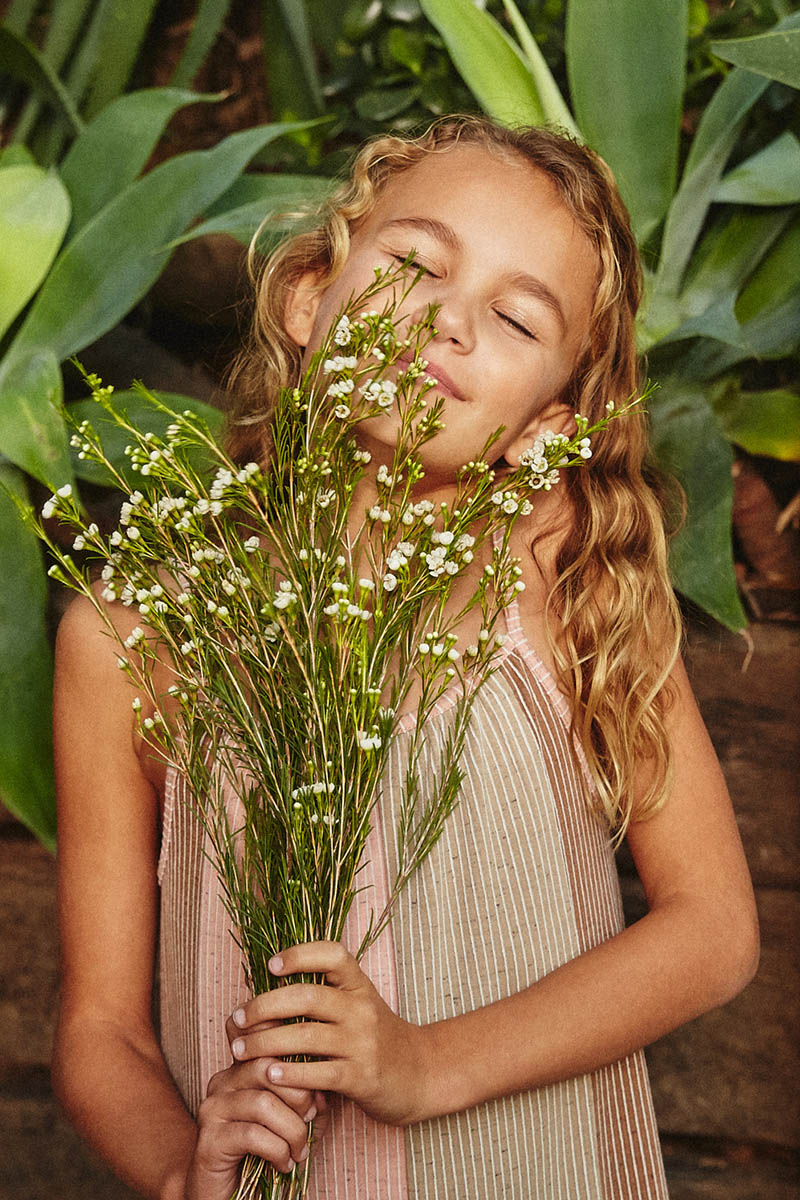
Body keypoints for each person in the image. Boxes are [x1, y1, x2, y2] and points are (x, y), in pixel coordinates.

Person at [51, 115, 759, 1200]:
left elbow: (712, 932)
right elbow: (101, 1032)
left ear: (546, 427)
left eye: (515, 318)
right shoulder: (133, 636)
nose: (448, 322)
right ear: (307, 297)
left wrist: (425, 1066)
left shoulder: (568, 583)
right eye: (417, 264)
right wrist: (181, 1173)